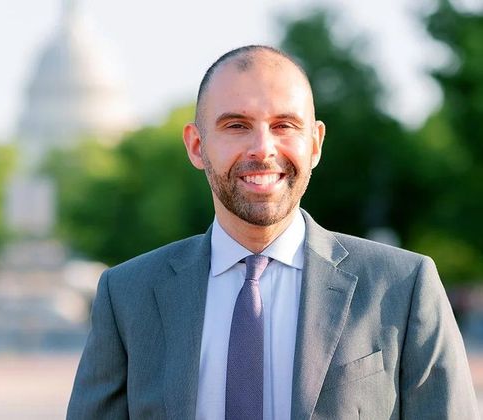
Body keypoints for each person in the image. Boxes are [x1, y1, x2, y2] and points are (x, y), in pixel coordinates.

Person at [66, 45, 479, 419]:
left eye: (284, 125)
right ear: (196, 146)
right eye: (236, 125)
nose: (262, 148)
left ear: (315, 144)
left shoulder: (404, 288)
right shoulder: (128, 296)